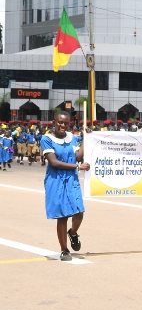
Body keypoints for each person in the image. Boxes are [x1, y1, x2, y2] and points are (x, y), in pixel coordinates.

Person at [40, 111, 90, 261]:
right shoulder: (46, 139)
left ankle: (73, 233)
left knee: (79, 211)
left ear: (69, 124)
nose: (62, 125)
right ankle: (64, 249)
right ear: (54, 122)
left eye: (66, 123)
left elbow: (78, 157)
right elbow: (54, 162)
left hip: (71, 179)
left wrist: (86, 139)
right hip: (56, 180)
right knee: (62, 216)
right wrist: (77, 167)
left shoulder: (72, 138)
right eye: (60, 122)